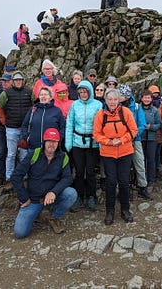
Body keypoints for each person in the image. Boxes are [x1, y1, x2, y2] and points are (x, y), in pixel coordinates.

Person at [11, 128, 77, 238]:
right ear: (44, 142)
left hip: (52, 197)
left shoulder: (63, 157)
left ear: (58, 142)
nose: (52, 144)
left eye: (55, 141)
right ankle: (39, 214)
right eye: (49, 141)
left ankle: (53, 216)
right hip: (33, 199)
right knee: (20, 233)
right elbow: (16, 175)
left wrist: (54, 192)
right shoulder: (34, 154)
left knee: (71, 194)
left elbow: (67, 178)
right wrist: (23, 197)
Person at [93, 88, 138, 225]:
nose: (112, 102)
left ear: (119, 100)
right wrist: (109, 141)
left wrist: (121, 140)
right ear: (105, 101)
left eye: (114, 99)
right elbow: (96, 134)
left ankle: (125, 210)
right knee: (110, 182)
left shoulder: (126, 112)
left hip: (125, 151)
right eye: (109, 99)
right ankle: (109, 211)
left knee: (124, 182)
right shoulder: (100, 115)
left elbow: (134, 130)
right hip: (108, 153)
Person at [65, 80, 102, 211]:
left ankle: (91, 197)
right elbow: (69, 124)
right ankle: (79, 197)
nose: (83, 94)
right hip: (77, 143)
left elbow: (101, 125)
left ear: (90, 91)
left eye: (85, 91)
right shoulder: (74, 105)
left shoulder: (98, 105)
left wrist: (101, 144)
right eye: (80, 92)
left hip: (93, 144)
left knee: (91, 172)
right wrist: (68, 143)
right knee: (79, 172)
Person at [0, 71, 33, 187]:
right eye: (16, 80)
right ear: (13, 81)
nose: (18, 81)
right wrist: (5, 122)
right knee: (11, 154)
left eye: (20, 79)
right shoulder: (6, 93)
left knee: (24, 154)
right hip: (11, 129)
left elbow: (34, 106)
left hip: (25, 129)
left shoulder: (29, 92)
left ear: (23, 80)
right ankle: (9, 177)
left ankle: (24, 177)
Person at [119, 84, 152, 200]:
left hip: (135, 140)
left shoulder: (137, 107)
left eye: (122, 95)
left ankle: (143, 187)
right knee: (123, 166)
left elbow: (142, 124)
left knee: (139, 164)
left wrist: (133, 135)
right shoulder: (116, 107)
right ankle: (124, 189)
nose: (120, 97)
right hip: (122, 141)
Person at [20, 86, 65, 153]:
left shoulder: (57, 111)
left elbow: (63, 127)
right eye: (41, 95)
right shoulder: (33, 110)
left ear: (50, 97)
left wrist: (58, 139)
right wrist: (27, 138)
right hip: (33, 147)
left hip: (51, 148)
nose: (43, 97)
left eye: (46, 94)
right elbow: (24, 125)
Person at [140, 89, 162, 189]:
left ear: (151, 99)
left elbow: (159, 124)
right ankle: (141, 178)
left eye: (148, 97)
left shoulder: (154, 111)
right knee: (141, 159)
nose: (147, 99)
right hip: (140, 138)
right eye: (145, 97)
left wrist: (151, 127)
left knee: (151, 159)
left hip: (152, 138)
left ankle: (151, 179)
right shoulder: (138, 109)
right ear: (141, 98)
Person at [148, 85, 162, 179]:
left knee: (157, 154)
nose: (155, 95)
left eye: (156, 93)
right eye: (153, 93)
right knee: (150, 155)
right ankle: (151, 172)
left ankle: (157, 170)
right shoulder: (145, 104)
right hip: (149, 134)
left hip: (159, 133)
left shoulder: (161, 105)